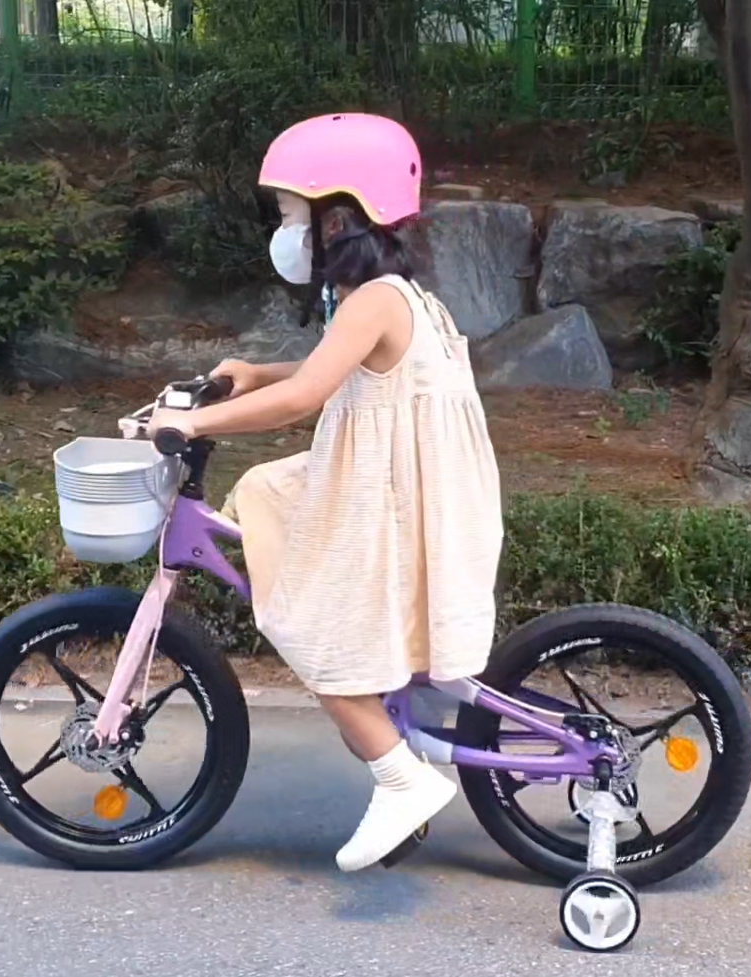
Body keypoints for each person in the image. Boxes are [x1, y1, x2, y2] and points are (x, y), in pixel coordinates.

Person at [147, 113, 503, 872]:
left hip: (395, 503)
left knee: (317, 631)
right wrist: (253, 368)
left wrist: (191, 420)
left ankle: (401, 779)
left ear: (336, 216)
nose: (283, 231)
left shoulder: (375, 299)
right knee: (270, 488)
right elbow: (329, 370)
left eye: (289, 214)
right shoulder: (393, 297)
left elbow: (304, 399)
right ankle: (399, 737)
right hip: (413, 495)